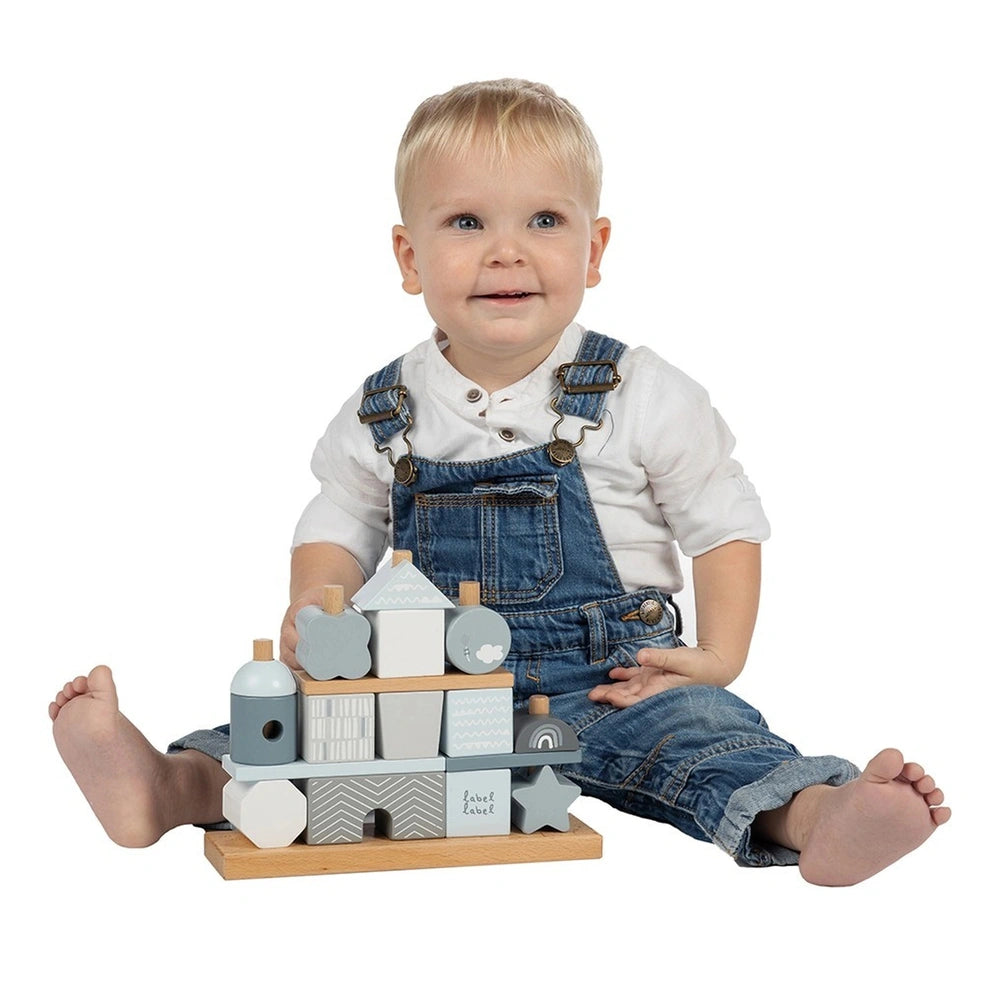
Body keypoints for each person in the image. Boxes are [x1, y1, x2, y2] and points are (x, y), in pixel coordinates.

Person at [49, 79, 949, 885]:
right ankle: (172, 787)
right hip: (423, 687)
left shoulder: (643, 391)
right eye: (467, 223)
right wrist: (320, 597)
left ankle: (821, 818)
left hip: (612, 681)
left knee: (704, 741)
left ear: (595, 250)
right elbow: (340, 517)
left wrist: (718, 656)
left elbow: (723, 523)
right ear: (409, 258)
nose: (507, 253)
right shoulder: (385, 406)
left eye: (544, 222)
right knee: (303, 742)